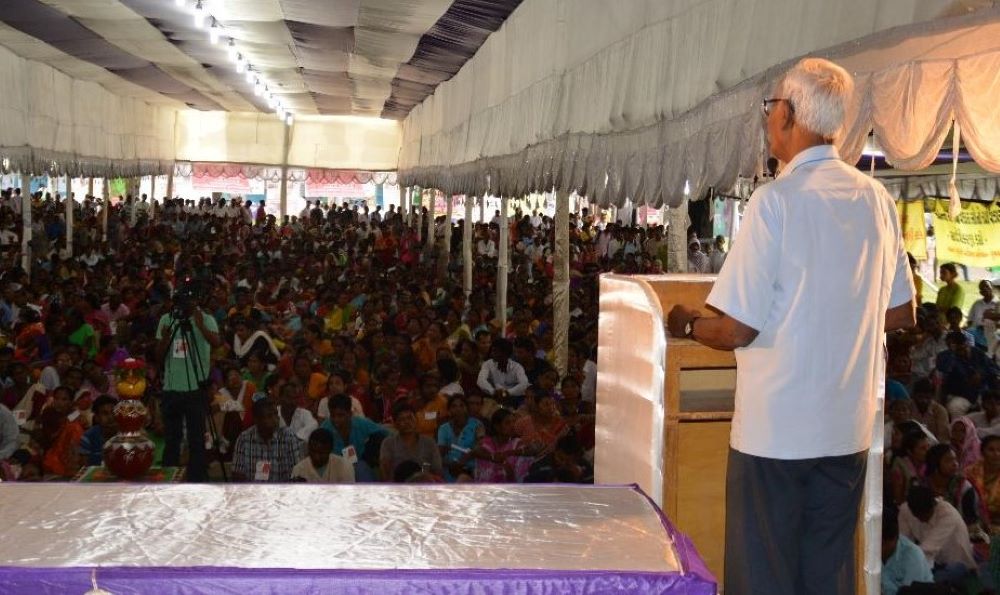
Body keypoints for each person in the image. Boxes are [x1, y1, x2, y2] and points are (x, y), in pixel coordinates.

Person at [666, 58, 915, 594]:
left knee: (764, 578)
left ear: (790, 116)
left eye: (770, 106)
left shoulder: (775, 202)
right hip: (845, 431)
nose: (766, 118)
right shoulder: (877, 199)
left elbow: (735, 330)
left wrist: (686, 325)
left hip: (775, 437)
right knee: (827, 576)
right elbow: (899, 313)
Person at [156, 286, 221, 482]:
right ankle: (169, 478)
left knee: (196, 440)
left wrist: (200, 326)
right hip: (172, 388)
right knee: (172, 439)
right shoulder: (167, 320)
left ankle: (197, 480)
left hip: (196, 387)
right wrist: (167, 336)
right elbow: (158, 357)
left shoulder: (206, 318)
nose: (184, 305)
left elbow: (217, 343)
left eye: (188, 302)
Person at [898, 485, 976, 586]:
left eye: (925, 515)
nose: (922, 519)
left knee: (941, 577)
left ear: (933, 505)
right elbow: (903, 544)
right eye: (917, 516)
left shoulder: (948, 515)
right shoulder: (906, 511)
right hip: (929, 563)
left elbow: (927, 549)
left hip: (954, 564)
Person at [232, 399, 302, 483]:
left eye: (276, 414)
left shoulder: (288, 437)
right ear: (256, 420)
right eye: (269, 416)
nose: (275, 419)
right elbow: (237, 475)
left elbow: (296, 475)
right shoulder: (244, 439)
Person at [379, 403, 442, 481]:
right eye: (402, 419)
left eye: (410, 418)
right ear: (395, 424)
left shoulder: (429, 443)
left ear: (416, 420)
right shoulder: (388, 443)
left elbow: (437, 471)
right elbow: (385, 473)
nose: (407, 422)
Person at [882, 506, 934, 595]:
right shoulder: (869, 550)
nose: (879, 550)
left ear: (895, 538)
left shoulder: (913, 556)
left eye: (883, 545)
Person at [436, 395, 484, 482]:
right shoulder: (444, 428)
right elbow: (440, 453)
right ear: (449, 410)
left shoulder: (477, 425)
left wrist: (461, 462)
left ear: (466, 408)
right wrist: (451, 465)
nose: (458, 409)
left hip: (471, 467)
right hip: (449, 468)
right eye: (454, 406)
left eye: (462, 405)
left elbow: (479, 448)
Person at [476, 339, 529, 407]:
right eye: (492, 351)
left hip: (512, 401)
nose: (492, 354)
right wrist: (493, 391)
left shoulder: (517, 367)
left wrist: (508, 392)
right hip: (492, 400)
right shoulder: (488, 364)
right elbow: (480, 381)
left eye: (495, 351)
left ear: (505, 353)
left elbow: (524, 384)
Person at [290, 428, 355, 483]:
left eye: (321, 453)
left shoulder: (345, 466)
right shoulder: (298, 470)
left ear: (330, 450)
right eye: (313, 452)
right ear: (308, 449)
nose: (317, 457)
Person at [78, 395, 117, 466]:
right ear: (97, 417)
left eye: (113, 412)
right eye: (105, 413)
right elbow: (84, 467)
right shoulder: (88, 437)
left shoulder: (127, 434)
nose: (111, 417)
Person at [911, 378, 950, 443]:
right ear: (914, 395)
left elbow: (943, 438)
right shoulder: (906, 408)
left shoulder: (940, 411)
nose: (924, 401)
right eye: (920, 397)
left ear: (932, 396)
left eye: (927, 398)